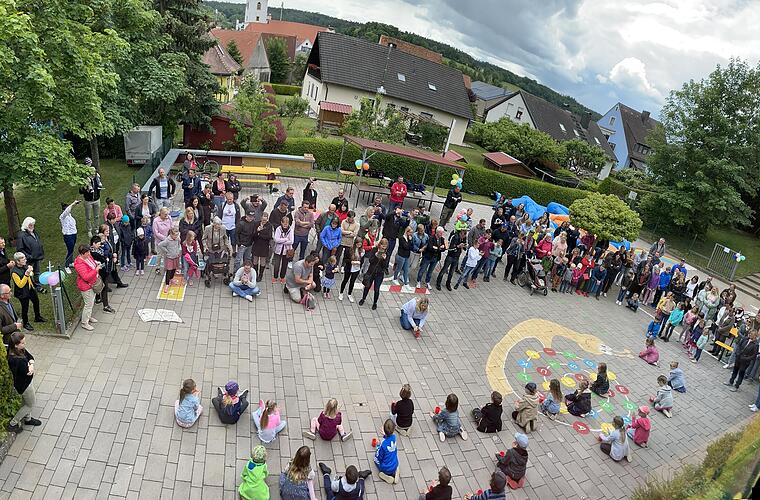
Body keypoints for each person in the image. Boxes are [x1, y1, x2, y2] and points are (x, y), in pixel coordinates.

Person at [6, 332, 42, 433]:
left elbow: (30, 356)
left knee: (26, 402)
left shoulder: (17, 350)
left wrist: (31, 364)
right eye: (22, 343)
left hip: (23, 383)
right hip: (25, 385)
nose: (24, 344)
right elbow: (28, 373)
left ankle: (28, 419)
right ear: (16, 345)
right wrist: (30, 368)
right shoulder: (17, 360)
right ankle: (13, 423)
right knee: (30, 404)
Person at [11, 253, 45, 331]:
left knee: (36, 302)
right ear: (18, 261)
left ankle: (37, 317)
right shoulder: (14, 272)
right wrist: (26, 274)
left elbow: (31, 275)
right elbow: (20, 285)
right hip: (22, 292)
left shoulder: (25, 265)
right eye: (23, 259)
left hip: (30, 289)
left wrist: (30, 271)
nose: (25, 260)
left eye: (25, 259)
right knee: (25, 307)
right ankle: (25, 323)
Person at [74, 244, 102, 331]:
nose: (89, 254)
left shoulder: (87, 257)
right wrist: (96, 270)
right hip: (87, 286)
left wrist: (96, 264)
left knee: (91, 302)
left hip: (92, 283)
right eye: (87, 252)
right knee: (88, 304)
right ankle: (84, 323)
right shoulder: (79, 264)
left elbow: (92, 263)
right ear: (82, 253)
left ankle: (88, 317)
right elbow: (86, 277)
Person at [16, 217, 45, 292]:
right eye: (30, 225)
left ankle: (38, 287)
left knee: (37, 273)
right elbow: (20, 249)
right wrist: (29, 256)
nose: (32, 226)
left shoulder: (34, 232)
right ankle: (30, 288)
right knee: (29, 273)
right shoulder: (21, 235)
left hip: (36, 257)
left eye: (33, 225)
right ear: (26, 225)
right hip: (28, 259)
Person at [358, 238, 388, 310]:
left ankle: (375, 303)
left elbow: (384, 266)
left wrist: (384, 260)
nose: (383, 248)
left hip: (379, 274)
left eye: (385, 246)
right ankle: (363, 298)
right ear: (380, 244)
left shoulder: (386, 253)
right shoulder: (375, 249)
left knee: (376, 289)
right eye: (382, 246)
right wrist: (376, 255)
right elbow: (370, 261)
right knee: (367, 286)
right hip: (371, 272)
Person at [436, 227, 466, 291]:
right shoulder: (455, 237)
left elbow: (465, 247)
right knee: (444, 270)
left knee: (451, 272)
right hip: (450, 256)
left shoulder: (463, 238)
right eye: (463, 236)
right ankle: (438, 283)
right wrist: (458, 246)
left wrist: (464, 246)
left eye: (464, 237)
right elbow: (450, 248)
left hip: (457, 257)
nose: (463, 238)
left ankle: (448, 283)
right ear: (460, 233)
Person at [79, 161, 104, 236]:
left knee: (97, 216)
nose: (93, 173)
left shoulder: (97, 178)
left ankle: (96, 228)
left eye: (94, 171)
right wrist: (86, 190)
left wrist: (99, 188)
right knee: (88, 217)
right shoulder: (85, 179)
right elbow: (80, 191)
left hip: (97, 200)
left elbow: (99, 186)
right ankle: (89, 230)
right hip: (88, 201)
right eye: (92, 172)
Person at [374, 419, 399, 484]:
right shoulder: (394, 437)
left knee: (375, 459)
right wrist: (385, 435)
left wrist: (378, 446)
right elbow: (389, 440)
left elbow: (379, 457)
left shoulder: (383, 444)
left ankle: (385, 475)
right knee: (393, 457)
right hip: (394, 463)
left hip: (386, 468)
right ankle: (396, 470)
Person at [158, 227, 182, 294]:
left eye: (177, 235)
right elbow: (160, 245)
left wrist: (178, 251)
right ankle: (167, 284)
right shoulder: (167, 240)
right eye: (175, 235)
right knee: (169, 270)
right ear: (171, 234)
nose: (176, 236)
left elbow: (178, 245)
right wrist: (167, 251)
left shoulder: (177, 239)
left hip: (176, 257)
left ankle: (171, 278)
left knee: (174, 269)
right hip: (170, 258)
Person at [250, 213, 272, 281]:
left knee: (263, 261)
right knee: (255, 261)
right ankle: (256, 273)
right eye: (263, 220)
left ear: (267, 219)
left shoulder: (269, 225)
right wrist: (257, 231)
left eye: (265, 220)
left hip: (264, 246)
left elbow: (269, 236)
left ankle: (261, 274)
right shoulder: (256, 224)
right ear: (261, 218)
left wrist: (260, 234)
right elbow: (253, 235)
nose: (264, 221)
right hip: (256, 244)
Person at [272, 217, 294, 285]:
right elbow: (276, 239)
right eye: (284, 224)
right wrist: (285, 239)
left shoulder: (291, 230)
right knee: (276, 265)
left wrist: (281, 241)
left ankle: (282, 277)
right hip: (278, 250)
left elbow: (291, 241)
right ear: (281, 222)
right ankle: (275, 277)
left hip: (287, 251)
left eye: (286, 224)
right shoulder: (278, 229)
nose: (285, 225)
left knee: (284, 265)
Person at [59, 201, 80, 268]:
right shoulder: (62, 217)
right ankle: (67, 265)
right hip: (68, 236)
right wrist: (73, 203)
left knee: (72, 249)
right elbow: (67, 211)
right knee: (70, 250)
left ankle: (71, 262)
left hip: (73, 234)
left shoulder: (70, 216)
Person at [152, 207, 173, 274]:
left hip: (168, 240)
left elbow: (171, 227)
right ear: (161, 213)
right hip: (160, 241)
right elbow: (156, 232)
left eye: (167, 214)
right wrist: (164, 238)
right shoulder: (156, 221)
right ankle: (157, 267)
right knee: (160, 255)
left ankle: (166, 267)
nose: (166, 216)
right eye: (165, 214)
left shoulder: (169, 218)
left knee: (166, 255)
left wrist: (171, 236)